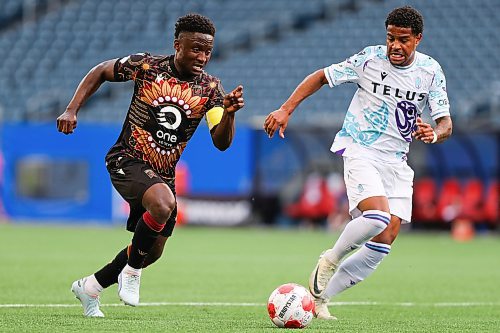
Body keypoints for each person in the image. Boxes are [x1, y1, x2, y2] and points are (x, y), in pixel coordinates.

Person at [264, 6, 452, 320]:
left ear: (418, 39)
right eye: (390, 37)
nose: (394, 45)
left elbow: (446, 123)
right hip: (360, 149)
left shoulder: (431, 72)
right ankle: (330, 259)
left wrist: (433, 133)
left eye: (403, 40)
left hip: (397, 161)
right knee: (377, 217)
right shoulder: (369, 60)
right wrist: (286, 109)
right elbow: (321, 76)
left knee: (385, 239)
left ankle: (318, 298)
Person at [57, 13, 244, 317]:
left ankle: (91, 286)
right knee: (161, 205)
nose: (202, 57)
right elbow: (101, 71)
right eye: (195, 48)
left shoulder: (211, 89)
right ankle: (131, 273)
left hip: (162, 174)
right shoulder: (146, 66)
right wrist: (71, 109)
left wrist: (230, 113)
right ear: (177, 45)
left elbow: (221, 142)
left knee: (152, 251)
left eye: (207, 51)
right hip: (126, 159)